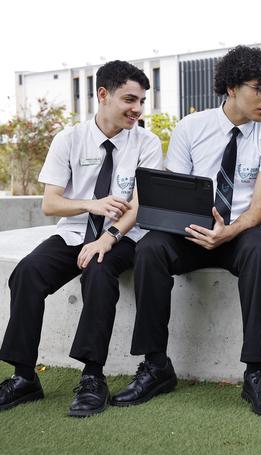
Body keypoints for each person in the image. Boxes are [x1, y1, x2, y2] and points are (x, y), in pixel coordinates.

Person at [111, 46, 261, 417]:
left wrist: (226, 233)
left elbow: (259, 210)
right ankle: (156, 365)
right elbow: (175, 195)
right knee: (149, 249)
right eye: (260, 88)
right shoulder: (192, 128)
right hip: (191, 231)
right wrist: (196, 228)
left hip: (243, 232)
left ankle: (255, 373)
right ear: (231, 87)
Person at [0, 61, 162, 417]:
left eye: (141, 101)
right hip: (74, 233)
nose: (137, 109)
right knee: (27, 273)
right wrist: (92, 204)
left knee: (99, 271)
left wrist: (108, 238)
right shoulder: (69, 139)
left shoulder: (147, 144)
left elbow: (139, 204)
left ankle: (93, 377)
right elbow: (50, 203)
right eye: (129, 99)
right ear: (103, 95)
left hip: (124, 237)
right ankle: (24, 377)